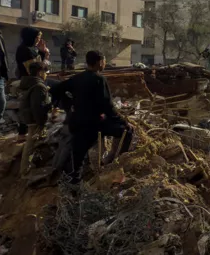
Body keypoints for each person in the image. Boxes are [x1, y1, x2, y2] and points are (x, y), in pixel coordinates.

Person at [51, 51, 133, 184]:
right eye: (104, 61)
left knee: (77, 160)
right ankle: (116, 164)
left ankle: (73, 188)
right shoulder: (99, 80)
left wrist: (69, 106)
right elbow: (108, 107)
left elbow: (55, 90)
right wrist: (123, 121)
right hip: (95, 123)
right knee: (127, 131)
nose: (105, 64)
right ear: (99, 62)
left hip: (77, 123)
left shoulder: (76, 78)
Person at [17, 62, 51, 178]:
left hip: (28, 117)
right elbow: (38, 107)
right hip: (34, 119)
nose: (46, 75)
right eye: (45, 72)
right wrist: (41, 123)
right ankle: (25, 170)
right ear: (40, 72)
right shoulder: (39, 87)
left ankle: (31, 165)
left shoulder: (29, 83)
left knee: (32, 142)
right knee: (31, 143)